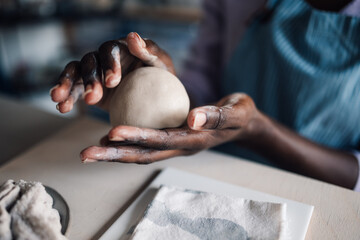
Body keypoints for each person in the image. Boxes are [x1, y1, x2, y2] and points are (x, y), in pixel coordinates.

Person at [50, 0, 360, 190]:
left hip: (328, 196)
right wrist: (163, 74)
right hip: (212, 171)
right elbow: (203, 85)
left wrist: (258, 130)